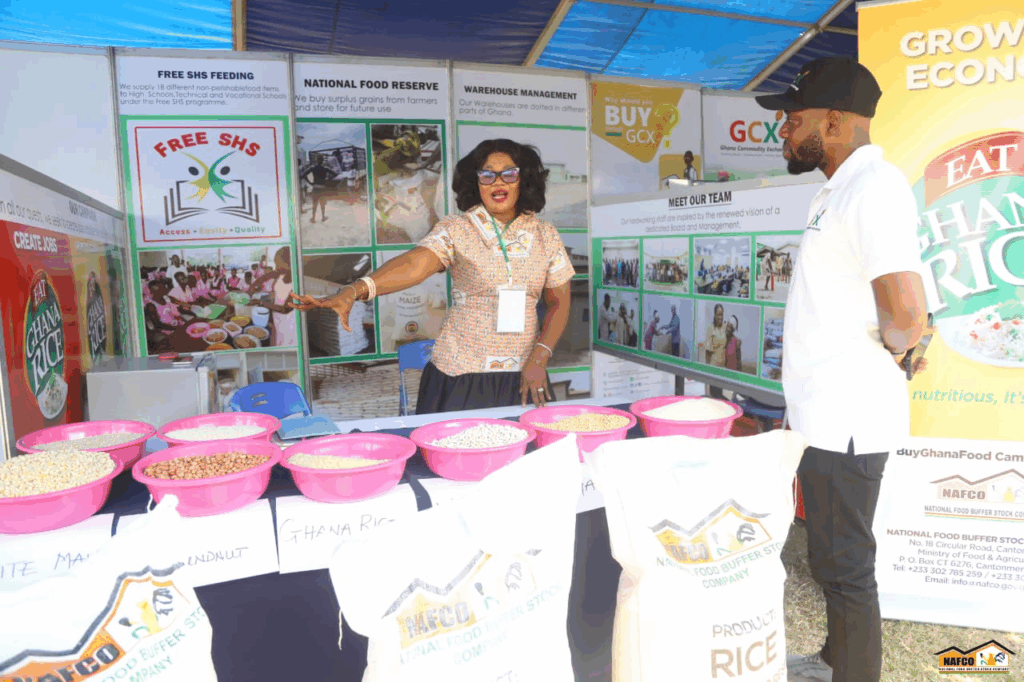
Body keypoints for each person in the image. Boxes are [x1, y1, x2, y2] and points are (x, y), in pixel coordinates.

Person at [755, 57, 929, 682]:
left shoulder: (872, 188)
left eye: (791, 118)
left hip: (847, 416)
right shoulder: (840, 189)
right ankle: (835, 660)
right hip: (823, 412)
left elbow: (906, 311)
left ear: (833, 121)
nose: (782, 130)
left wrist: (903, 345)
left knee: (845, 564)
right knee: (831, 557)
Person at [292, 138, 574, 411]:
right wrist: (356, 289)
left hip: (526, 374)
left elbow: (559, 304)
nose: (498, 182)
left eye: (508, 174)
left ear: (523, 179)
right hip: (461, 374)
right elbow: (416, 263)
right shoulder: (457, 228)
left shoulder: (545, 235)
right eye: (487, 175)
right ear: (476, 182)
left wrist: (539, 358)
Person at [250, 246, 297, 348]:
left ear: (289, 263)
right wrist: (253, 285)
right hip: (278, 318)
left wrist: (260, 302)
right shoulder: (280, 274)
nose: (276, 267)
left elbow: (285, 309)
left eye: (278, 263)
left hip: (290, 323)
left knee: (286, 346)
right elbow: (265, 277)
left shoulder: (297, 283)